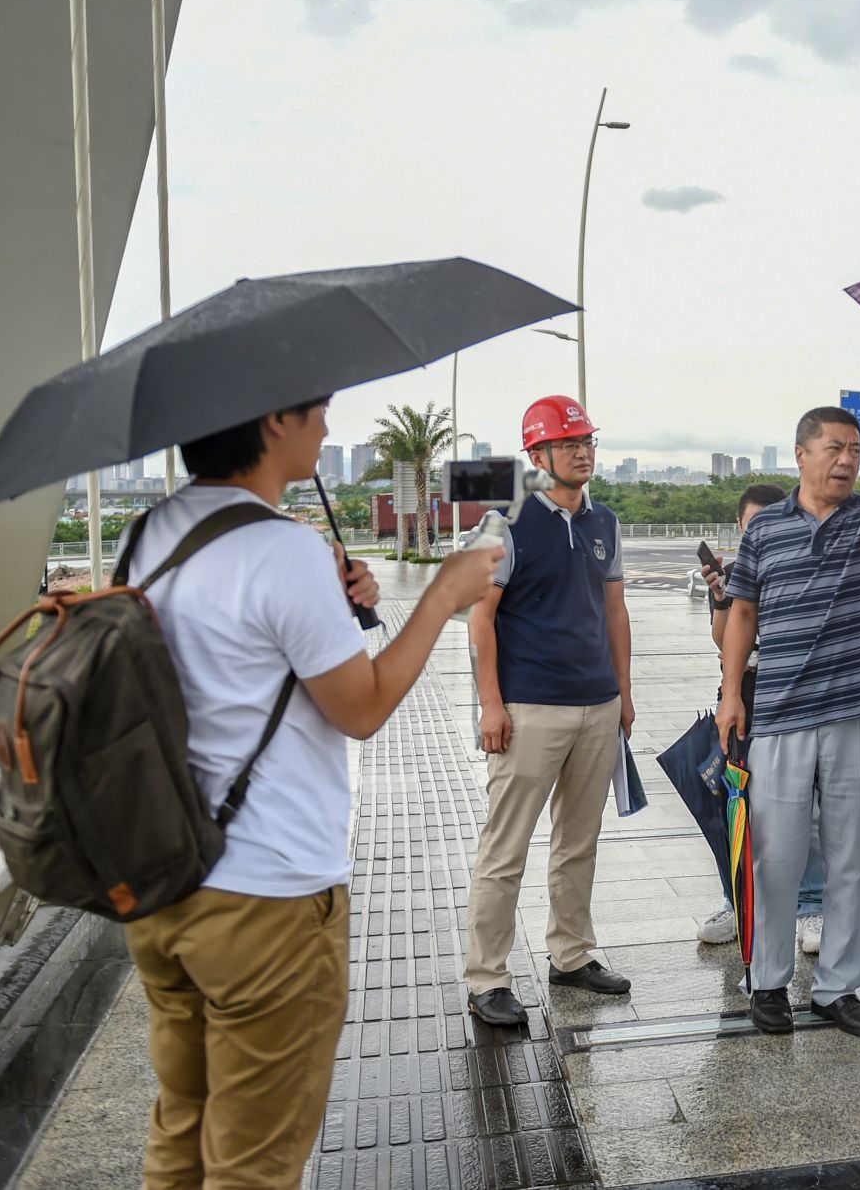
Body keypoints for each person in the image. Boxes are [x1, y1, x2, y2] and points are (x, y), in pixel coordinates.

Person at [122, 396, 500, 1188]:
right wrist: (444, 595)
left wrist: (340, 599)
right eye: (318, 412)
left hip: (165, 885)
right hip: (269, 899)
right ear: (272, 422)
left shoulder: (149, 536)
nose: (327, 429)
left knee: (182, 1130)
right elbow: (360, 707)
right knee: (255, 1165)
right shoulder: (280, 549)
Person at [715, 410, 860, 1038]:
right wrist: (730, 692)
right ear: (800, 454)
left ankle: (837, 988)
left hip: (852, 714)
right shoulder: (764, 528)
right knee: (776, 858)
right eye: (833, 448)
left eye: (854, 450)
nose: (845, 460)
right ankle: (766, 981)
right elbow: (742, 611)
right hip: (781, 719)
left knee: (850, 858)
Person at [464, 394, 636, 1026]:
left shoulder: (605, 523)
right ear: (537, 456)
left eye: (587, 441)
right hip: (528, 708)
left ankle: (571, 953)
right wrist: (490, 705)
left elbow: (615, 611)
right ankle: (488, 977)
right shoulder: (502, 525)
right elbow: (480, 619)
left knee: (578, 842)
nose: (583, 452)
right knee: (505, 848)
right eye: (569, 444)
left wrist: (624, 692)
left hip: (597, 705)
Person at [697, 481, 829, 952]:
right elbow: (723, 641)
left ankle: (811, 906)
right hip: (743, 695)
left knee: (805, 806)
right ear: (740, 526)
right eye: (754, 524)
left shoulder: (806, 568)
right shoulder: (734, 573)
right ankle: (738, 903)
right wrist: (719, 599)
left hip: (793, 697)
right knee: (733, 802)